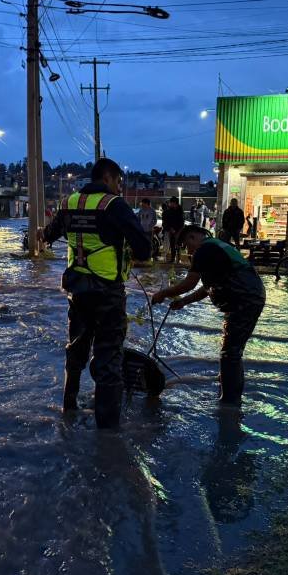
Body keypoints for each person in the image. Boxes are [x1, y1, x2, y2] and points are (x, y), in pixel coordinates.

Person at [39, 158, 151, 428]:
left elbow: (49, 235)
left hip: (77, 291)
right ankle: (107, 431)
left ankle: (69, 409)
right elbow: (144, 250)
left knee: (76, 349)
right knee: (109, 358)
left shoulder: (68, 203)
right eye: (118, 182)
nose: (119, 187)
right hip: (107, 293)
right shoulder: (114, 205)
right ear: (108, 178)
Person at [151, 225, 265, 405]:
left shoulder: (204, 249)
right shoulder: (217, 246)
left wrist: (163, 293)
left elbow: (189, 283)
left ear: (193, 237)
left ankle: (230, 403)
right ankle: (227, 391)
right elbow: (208, 287)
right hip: (249, 296)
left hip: (243, 299)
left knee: (230, 354)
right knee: (232, 351)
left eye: (187, 245)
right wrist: (184, 301)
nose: (188, 251)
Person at [161, 196, 185, 263]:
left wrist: (177, 230)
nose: (170, 204)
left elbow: (181, 222)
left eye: (171, 203)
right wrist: (170, 228)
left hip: (179, 229)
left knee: (178, 244)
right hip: (171, 229)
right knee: (172, 244)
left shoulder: (180, 211)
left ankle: (178, 259)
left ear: (174, 203)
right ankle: (173, 258)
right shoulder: (170, 210)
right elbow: (167, 220)